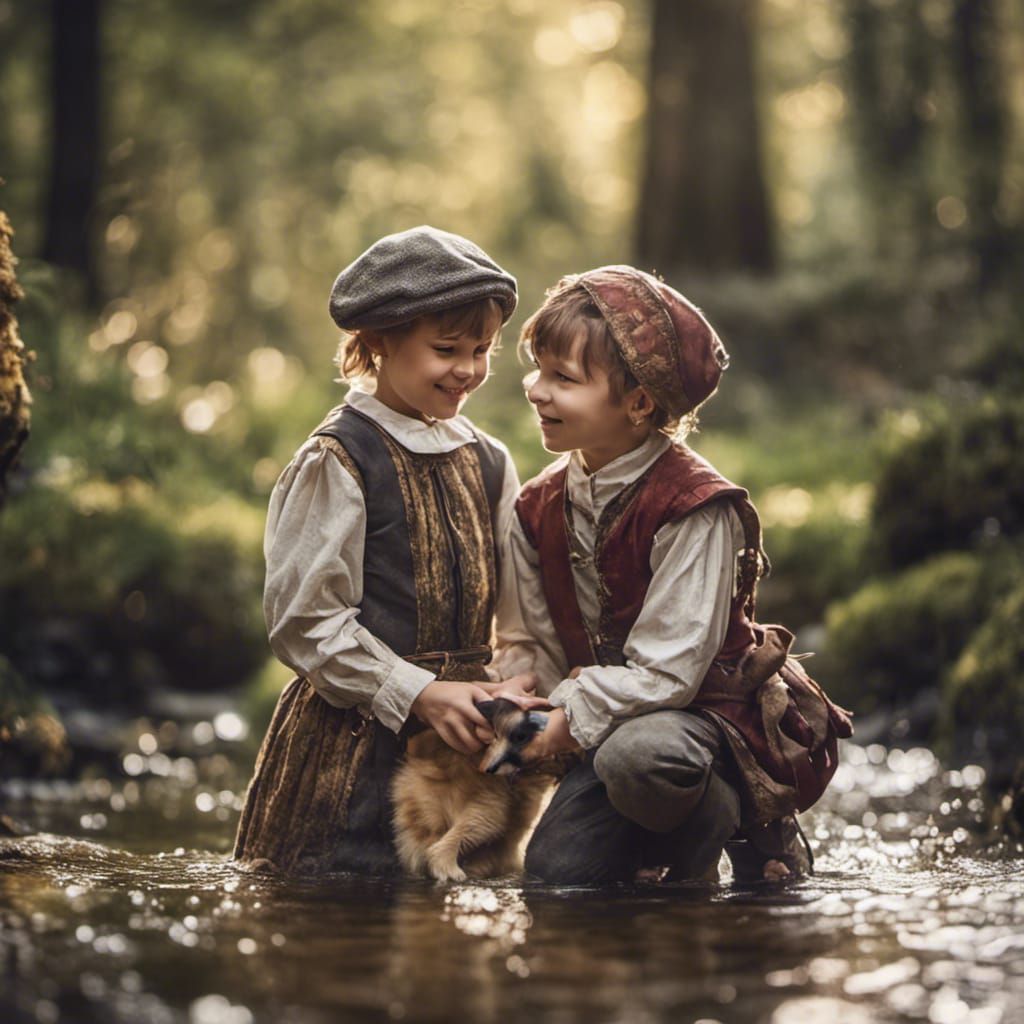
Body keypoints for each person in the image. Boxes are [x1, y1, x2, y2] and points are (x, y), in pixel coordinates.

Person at [494, 266, 850, 885]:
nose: (535, 389)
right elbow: (531, 636)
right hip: (606, 723)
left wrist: (563, 719)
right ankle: (655, 834)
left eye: (563, 378)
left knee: (643, 758)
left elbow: (670, 673)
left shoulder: (694, 506)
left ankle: (738, 812)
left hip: (703, 716)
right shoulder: (535, 506)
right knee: (556, 876)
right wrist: (518, 697)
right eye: (538, 369)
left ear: (639, 403)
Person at [233, 225, 536, 875]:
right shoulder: (340, 457)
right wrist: (420, 692)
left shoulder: (489, 461)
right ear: (377, 342)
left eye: (482, 349)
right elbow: (304, 621)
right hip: (350, 757)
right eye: (447, 348)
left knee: (453, 941)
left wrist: (513, 683)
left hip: (464, 756)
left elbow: (518, 612)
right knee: (339, 924)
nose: (468, 369)